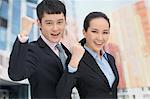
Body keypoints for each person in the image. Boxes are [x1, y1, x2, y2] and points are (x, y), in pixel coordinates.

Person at [8, 0, 84, 98]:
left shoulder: (66, 51)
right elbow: (16, 75)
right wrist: (24, 34)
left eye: (60, 22)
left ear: (65, 21)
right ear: (39, 24)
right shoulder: (33, 50)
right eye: (49, 23)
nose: (55, 28)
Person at [56, 11, 119, 99]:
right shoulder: (76, 59)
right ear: (84, 32)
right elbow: (61, 95)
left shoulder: (110, 59)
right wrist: (74, 61)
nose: (100, 38)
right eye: (94, 31)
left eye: (105, 32)